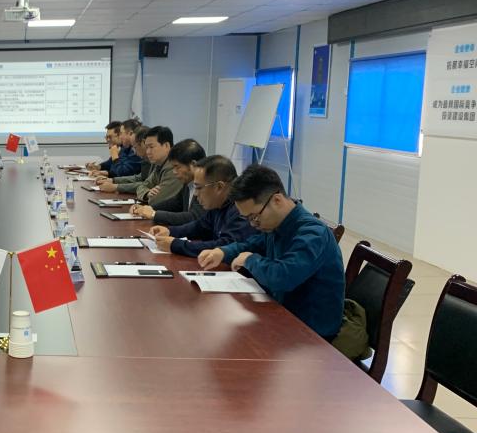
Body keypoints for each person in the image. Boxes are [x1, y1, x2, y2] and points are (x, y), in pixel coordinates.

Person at [199, 165, 345, 340]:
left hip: (311, 333)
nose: (253, 224)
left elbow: (283, 276)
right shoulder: (277, 224)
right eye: (247, 218)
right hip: (282, 315)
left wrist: (250, 260)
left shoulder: (312, 233)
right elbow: (253, 244)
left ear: (277, 200)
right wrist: (222, 252)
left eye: (254, 217)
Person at [149, 155, 255, 257]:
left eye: (199, 188)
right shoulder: (218, 204)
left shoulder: (242, 208)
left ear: (219, 187)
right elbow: (200, 226)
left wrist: (176, 245)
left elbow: (224, 246)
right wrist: (170, 231)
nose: (195, 194)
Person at [97, 125, 182, 206]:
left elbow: (156, 200)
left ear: (166, 146)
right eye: (147, 147)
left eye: (151, 147)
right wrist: (147, 193)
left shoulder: (174, 168)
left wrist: (115, 185)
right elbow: (142, 186)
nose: (148, 152)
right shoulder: (159, 164)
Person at [130, 138, 205, 224]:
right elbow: (175, 203)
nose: (174, 172)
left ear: (193, 165)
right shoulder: (188, 183)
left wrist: (154, 214)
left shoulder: (206, 186)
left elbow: (194, 217)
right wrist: (147, 208)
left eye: (177, 167)